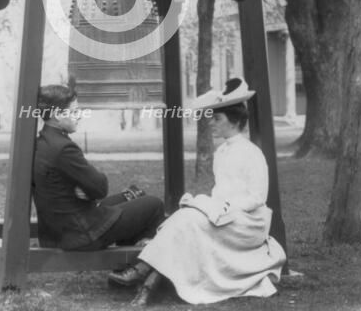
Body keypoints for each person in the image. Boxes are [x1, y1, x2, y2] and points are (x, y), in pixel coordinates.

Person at [109, 78, 286, 306]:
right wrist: (209, 205)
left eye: (217, 118)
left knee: (188, 220)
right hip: (224, 215)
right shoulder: (222, 152)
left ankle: (142, 273)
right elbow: (221, 191)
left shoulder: (252, 153)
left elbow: (257, 198)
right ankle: (147, 283)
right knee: (185, 219)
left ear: (233, 121)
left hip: (248, 222)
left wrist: (221, 208)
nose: (211, 123)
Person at [32, 84, 165, 251]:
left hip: (58, 229)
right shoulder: (63, 148)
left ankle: (128, 263)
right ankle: (137, 266)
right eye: (74, 112)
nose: (79, 116)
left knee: (134, 195)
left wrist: (84, 190)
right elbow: (100, 187)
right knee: (154, 205)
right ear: (58, 114)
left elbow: (75, 187)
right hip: (80, 233)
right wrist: (88, 189)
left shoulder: (42, 142)